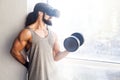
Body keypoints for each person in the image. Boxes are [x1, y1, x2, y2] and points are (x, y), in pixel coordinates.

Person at [10, 2, 69, 80]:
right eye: (48, 14)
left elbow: (56, 56)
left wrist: (69, 50)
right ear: (40, 13)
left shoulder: (53, 34)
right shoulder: (27, 32)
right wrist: (27, 65)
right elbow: (14, 51)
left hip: (53, 76)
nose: (51, 17)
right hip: (36, 77)